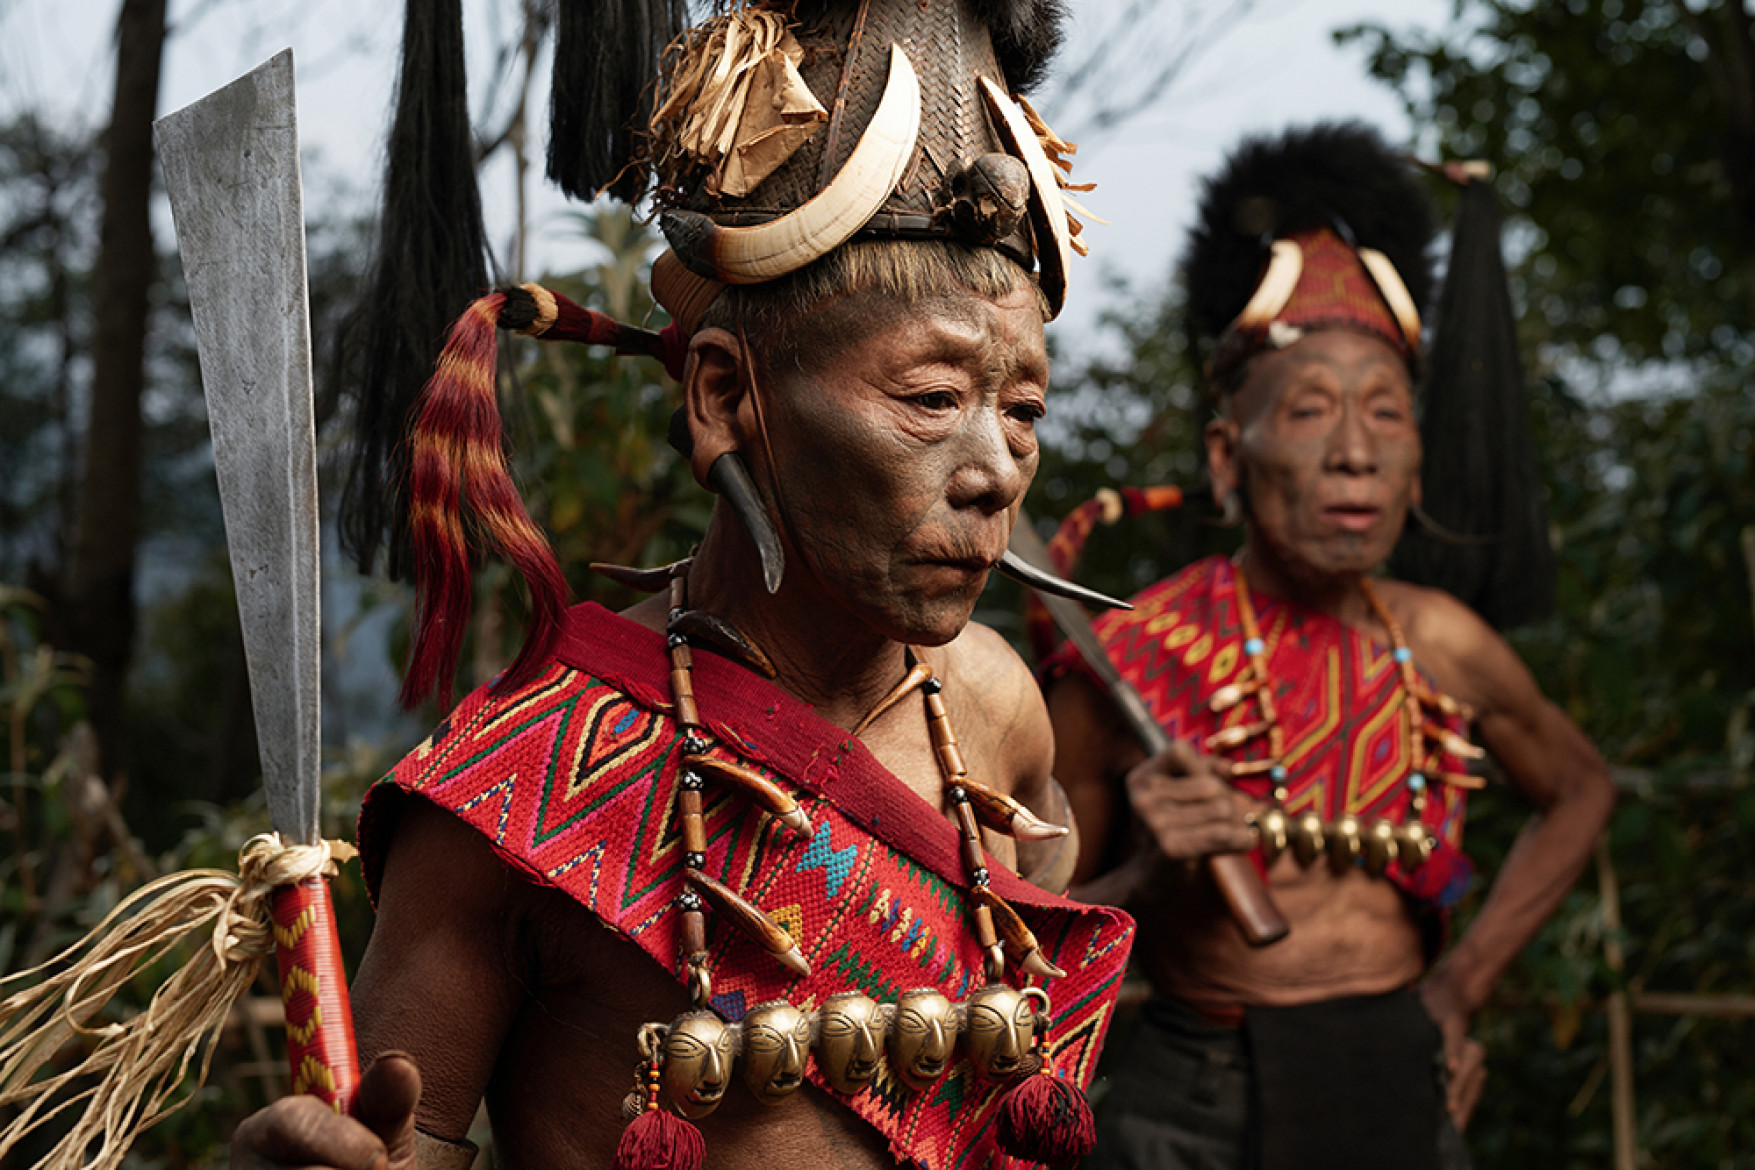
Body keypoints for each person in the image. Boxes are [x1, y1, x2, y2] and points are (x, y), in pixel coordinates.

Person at [232, 3, 1131, 1170]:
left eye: (1024, 411)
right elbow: (393, 1146)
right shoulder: (520, 790)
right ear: (721, 397)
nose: (995, 471)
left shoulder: (997, 707)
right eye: (929, 399)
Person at [1041, 124, 1615, 1170]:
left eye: (1387, 415)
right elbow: (1032, 936)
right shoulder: (1128, 657)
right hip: (1194, 1094)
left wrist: (1461, 983)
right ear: (1228, 454)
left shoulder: (1444, 643)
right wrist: (1154, 877)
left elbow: (1580, 789)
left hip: (1400, 1069)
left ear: (1418, 462)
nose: (1355, 451)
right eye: (1309, 410)